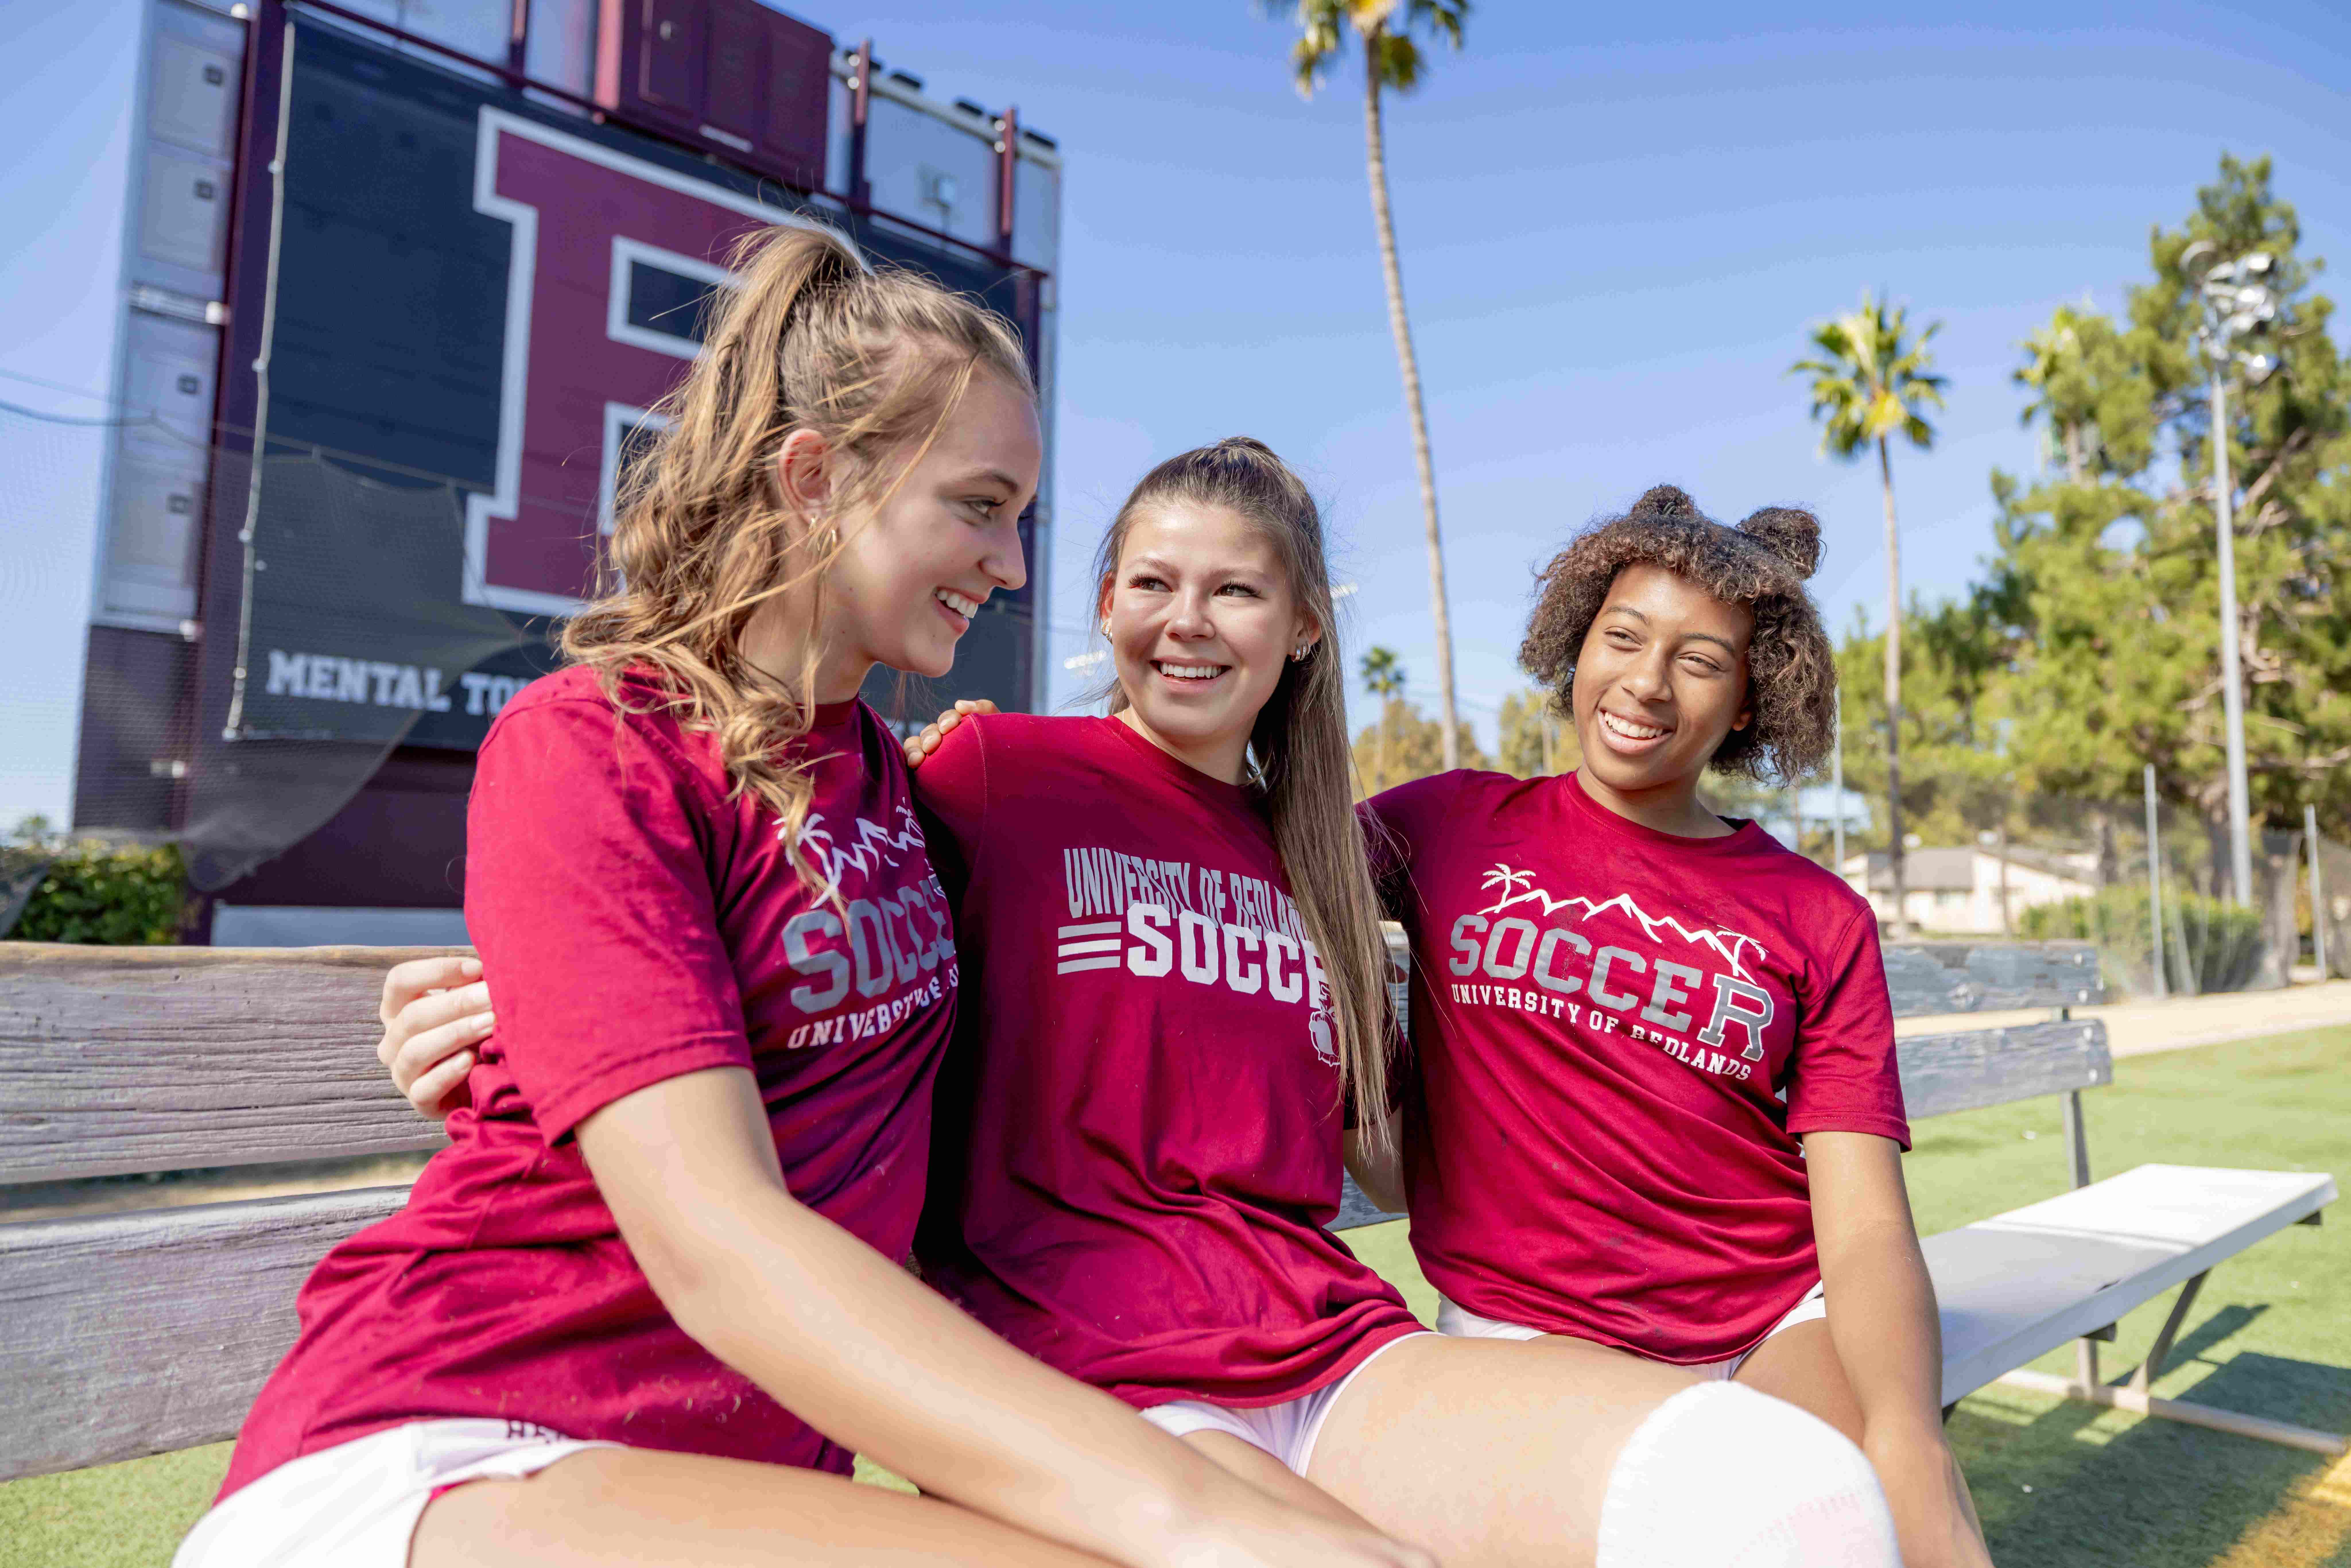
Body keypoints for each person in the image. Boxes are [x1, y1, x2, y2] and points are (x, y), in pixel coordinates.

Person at [382, 445, 1904, 1568]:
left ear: (1300, 628)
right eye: (1152, 583)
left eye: (1235, 589)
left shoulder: (1332, 851)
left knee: (1793, 1502)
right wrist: (500, 986)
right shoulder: (989, 775)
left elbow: (1442, 1081)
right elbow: (770, 901)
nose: (1188, 621)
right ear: (1105, 601)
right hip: (1084, 1364)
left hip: (1328, 1341)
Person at [178, 224, 1434, 1568]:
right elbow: (716, 1241)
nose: (1013, 564)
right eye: (979, 505)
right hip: (455, 1438)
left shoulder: (894, 780)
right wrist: (1194, 1516)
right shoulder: (595, 738)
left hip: (718, 1482)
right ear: (816, 478)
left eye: (1018, 516)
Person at [1359, 484, 1993, 1568]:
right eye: (1623, 638)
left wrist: (1913, 1445)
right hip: (1526, 1326)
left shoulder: (1818, 914)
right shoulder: (1450, 823)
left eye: (1699, 661)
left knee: (1875, 1522)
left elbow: (1863, 1223)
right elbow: (1248, 862)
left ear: (1747, 702)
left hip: (1767, 1314)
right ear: (1577, 644)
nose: (1647, 683)